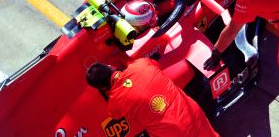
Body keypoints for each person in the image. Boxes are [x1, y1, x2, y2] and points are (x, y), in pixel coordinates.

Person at [86, 58, 220, 137]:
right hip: (193, 115)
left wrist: (109, 92)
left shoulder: (115, 102)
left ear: (102, 88)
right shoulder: (141, 64)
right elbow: (157, 65)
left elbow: (114, 115)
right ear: (111, 66)